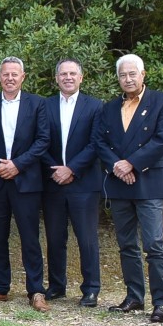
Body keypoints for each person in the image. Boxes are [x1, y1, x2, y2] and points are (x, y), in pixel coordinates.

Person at [96, 54, 163, 323]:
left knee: (154, 244)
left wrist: (131, 164)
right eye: (122, 75)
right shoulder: (108, 108)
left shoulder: (162, 102)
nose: (127, 79)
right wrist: (118, 166)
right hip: (119, 184)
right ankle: (134, 297)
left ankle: (162, 302)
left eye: (132, 74)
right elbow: (100, 143)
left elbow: (162, 140)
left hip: (149, 183)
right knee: (126, 244)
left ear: (143, 75)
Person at [0, 57, 50, 312]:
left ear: (23, 77)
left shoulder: (37, 104)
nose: (10, 78)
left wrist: (17, 164)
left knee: (30, 238)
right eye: (6, 74)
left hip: (25, 180)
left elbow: (42, 140)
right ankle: (1, 288)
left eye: (15, 74)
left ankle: (36, 290)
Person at [41, 59, 103, 308]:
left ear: (81, 77)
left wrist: (72, 169)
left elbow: (96, 143)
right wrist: (55, 169)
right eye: (63, 74)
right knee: (55, 238)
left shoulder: (96, 106)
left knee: (86, 238)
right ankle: (57, 286)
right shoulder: (45, 106)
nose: (68, 77)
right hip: (53, 181)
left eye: (72, 73)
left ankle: (90, 289)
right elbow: (39, 141)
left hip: (84, 183)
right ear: (56, 78)